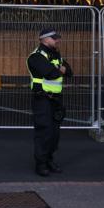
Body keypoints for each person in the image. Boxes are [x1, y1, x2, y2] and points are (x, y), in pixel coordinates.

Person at [28, 28, 71, 177]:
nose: (57, 40)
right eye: (54, 38)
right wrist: (60, 69)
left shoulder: (56, 56)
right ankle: (41, 163)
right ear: (44, 39)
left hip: (56, 100)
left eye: (57, 38)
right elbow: (51, 74)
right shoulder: (36, 57)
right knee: (44, 132)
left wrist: (59, 69)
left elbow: (70, 72)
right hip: (42, 99)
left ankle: (49, 159)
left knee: (55, 133)